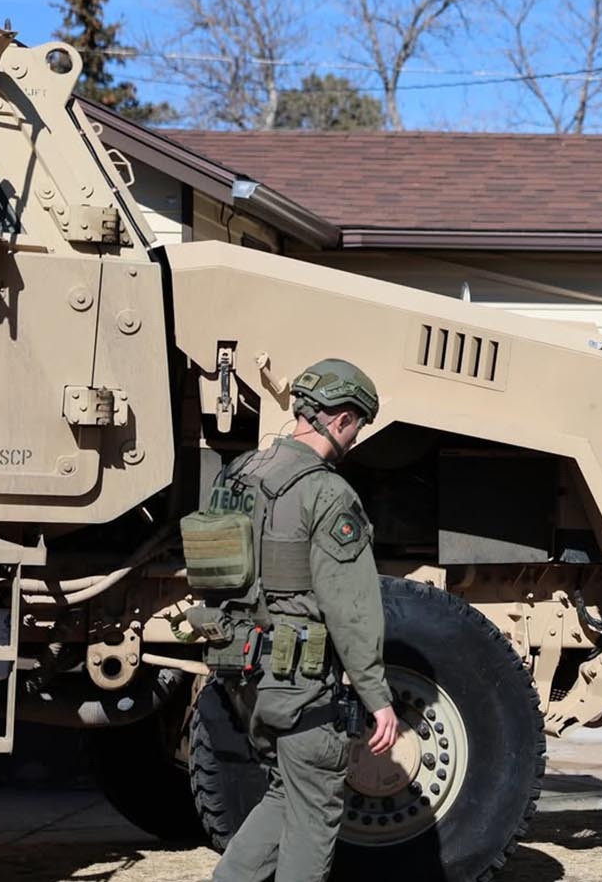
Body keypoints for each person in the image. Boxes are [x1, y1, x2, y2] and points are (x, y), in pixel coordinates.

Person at [211, 358, 401, 882]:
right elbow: (352, 607)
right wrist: (378, 698)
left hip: (242, 670)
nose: (356, 438)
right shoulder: (328, 493)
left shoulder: (241, 473)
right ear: (339, 418)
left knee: (284, 792)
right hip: (300, 680)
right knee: (315, 809)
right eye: (358, 426)